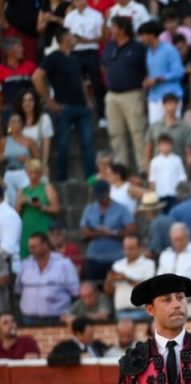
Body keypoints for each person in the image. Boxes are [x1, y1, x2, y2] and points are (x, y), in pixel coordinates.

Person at [32, 27, 95, 181]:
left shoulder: (74, 57)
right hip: (63, 107)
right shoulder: (53, 57)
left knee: (88, 144)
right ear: (64, 38)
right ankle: (61, 179)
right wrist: (48, 100)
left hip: (81, 106)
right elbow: (37, 77)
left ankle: (91, 177)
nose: (74, 38)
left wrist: (87, 99)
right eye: (71, 36)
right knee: (63, 145)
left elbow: (80, 80)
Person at [102, 17, 148, 173]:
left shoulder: (138, 48)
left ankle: (143, 167)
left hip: (132, 94)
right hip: (112, 95)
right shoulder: (110, 47)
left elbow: (146, 68)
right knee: (115, 133)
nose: (111, 30)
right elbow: (104, 66)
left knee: (138, 132)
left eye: (113, 27)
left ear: (122, 29)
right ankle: (121, 168)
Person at [80, 179, 137, 284]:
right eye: (98, 196)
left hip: (115, 258)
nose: (100, 199)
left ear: (108, 192)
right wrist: (97, 233)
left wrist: (112, 233)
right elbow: (83, 231)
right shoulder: (90, 209)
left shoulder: (121, 209)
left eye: (102, 196)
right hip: (94, 257)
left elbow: (131, 230)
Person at [158, 223, 191, 315]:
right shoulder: (165, 254)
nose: (178, 243)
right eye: (175, 240)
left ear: (188, 236)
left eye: (181, 239)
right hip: (169, 307)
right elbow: (159, 279)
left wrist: (183, 289)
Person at [106, 232, 156, 318]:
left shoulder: (149, 264)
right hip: (120, 312)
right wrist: (109, 280)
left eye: (131, 248)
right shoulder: (117, 265)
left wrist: (126, 279)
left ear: (139, 248)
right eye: (125, 248)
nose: (127, 251)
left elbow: (148, 289)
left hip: (142, 312)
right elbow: (109, 292)